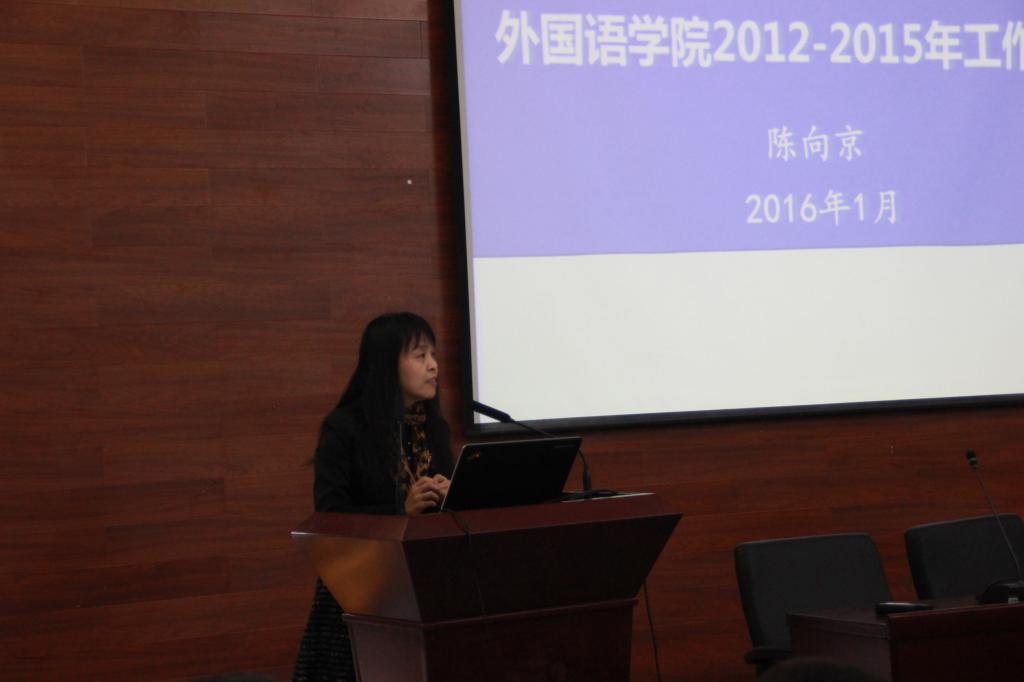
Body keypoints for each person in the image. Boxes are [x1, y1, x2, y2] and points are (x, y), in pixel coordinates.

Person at [292, 312, 454, 682]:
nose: (433, 366)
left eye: (433, 355)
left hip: (427, 586)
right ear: (386, 363)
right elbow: (330, 517)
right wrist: (400, 511)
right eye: (420, 355)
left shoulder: (435, 428)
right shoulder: (346, 428)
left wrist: (451, 494)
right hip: (360, 588)